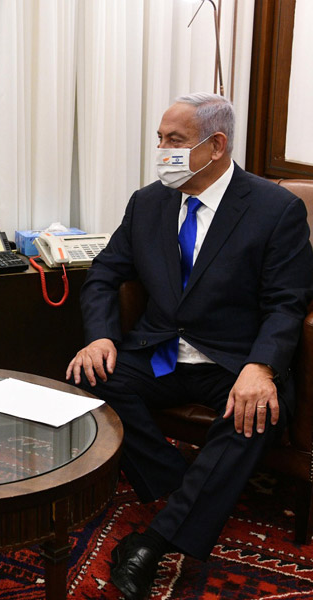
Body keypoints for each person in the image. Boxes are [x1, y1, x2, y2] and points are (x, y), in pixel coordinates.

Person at [65, 93, 313, 600]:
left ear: (216, 145)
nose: (161, 150)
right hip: (160, 352)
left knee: (256, 413)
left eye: (174, 140)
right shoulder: (149, 202)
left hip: (234, 361)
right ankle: (184, 487)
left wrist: (262, 367)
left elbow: (289, 303)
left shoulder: (274, 209)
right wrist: (100, 337)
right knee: (90, 378)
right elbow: (103, 276)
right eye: (159, 139)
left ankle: (151, 543)